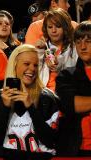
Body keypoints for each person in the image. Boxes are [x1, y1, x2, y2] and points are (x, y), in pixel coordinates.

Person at [55, 21, 91, 157]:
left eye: (88, 41)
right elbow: (69, 105)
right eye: (78, 42)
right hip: (78, 147)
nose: (82, 47)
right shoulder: (66, 75)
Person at [35, 8, 78, 91]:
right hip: (44, 94)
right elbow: (34, 72)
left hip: (66, 92)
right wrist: (39, 52)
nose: (53, 31)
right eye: (50, 27)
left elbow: (74, 70)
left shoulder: (74, 46)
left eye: (58, 26)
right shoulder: (43, 46)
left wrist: (57, 66)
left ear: (65, 28)